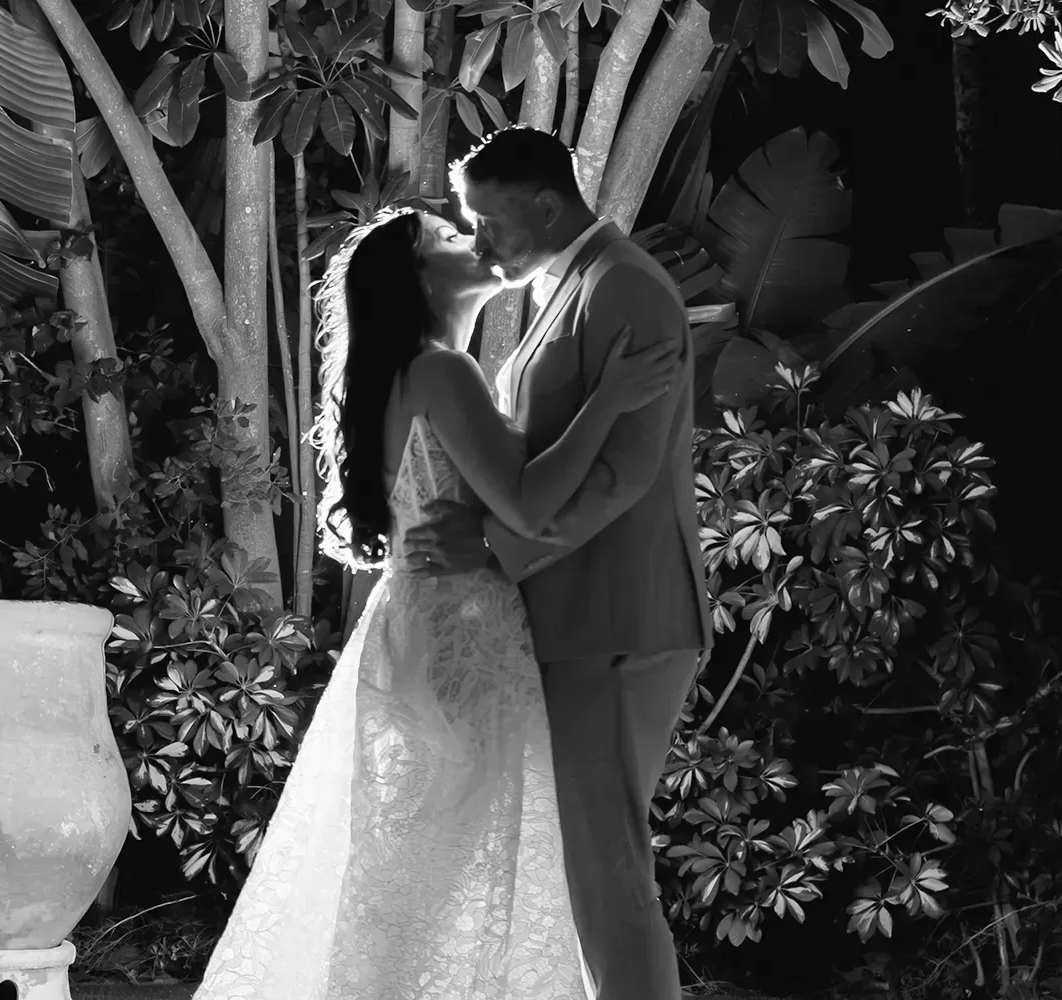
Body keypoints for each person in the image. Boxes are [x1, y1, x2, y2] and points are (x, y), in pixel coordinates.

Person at [189, 195, 680, 1000]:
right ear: (420, 273)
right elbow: (526, 505)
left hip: (417, 621)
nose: (475, 236)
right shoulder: (442, 371)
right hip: (463, 632)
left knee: (413, 868)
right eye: (452, 233)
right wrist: (609, 401)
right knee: (451, 865)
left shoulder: (414, 373)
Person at [405, 126, 713, 1000]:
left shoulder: (625, 289)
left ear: (543, 202)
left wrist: (497, 551)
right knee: (590, 864)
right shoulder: (574, 282)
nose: (483, 240)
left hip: (618, 616)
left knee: (608, 867)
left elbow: (625, 472)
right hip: (581, 613)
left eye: (488, 219)